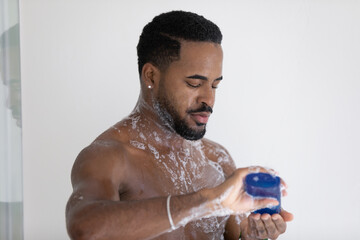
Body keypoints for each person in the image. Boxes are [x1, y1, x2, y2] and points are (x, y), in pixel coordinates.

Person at [66, 10, 293, 240]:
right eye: (194, 83)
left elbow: (239, 236)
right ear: (151, 76)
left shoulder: (217, 159)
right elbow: (84, 228)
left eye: (214, 86)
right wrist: (208, 201)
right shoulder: (109, 156)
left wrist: (255, 234)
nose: (209, 99)